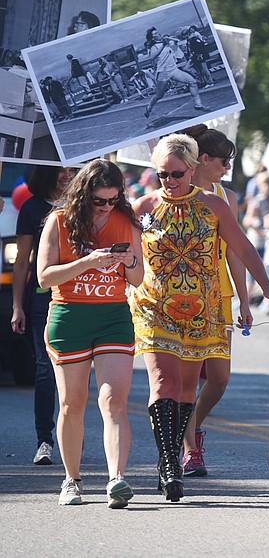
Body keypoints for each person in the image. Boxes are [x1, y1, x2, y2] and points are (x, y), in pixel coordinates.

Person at [131, 134, 269, 501]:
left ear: (191, 168)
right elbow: (123, 246)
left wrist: (265, 288)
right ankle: (169, 464)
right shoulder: (143, 208)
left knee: (187, 389)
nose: (170, 182)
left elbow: (241, 246)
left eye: (177, 174)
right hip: (155, 307)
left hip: (202, 308)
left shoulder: (213, 205)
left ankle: (175, 455)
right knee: (163, 384)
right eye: (163, 175)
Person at [36, 159, 143, 508]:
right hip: (69, 317)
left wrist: (128, 262)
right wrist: (88, 262)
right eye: (100, 200)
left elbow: (138, 279)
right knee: (73, 402)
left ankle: (117, 479)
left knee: (114, 400)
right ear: (84, 195)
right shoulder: (59, 220)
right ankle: (72, 479)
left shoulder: (126, 222)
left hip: (113, 316)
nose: (107, 207)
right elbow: (45, 278)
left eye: (113, 200)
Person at [177, 125, 251, 478]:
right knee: (187, 379)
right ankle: (191, 449)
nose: (226, 168)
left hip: (219, 297)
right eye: (223, 161)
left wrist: (245, 301)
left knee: (219, 379)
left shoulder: (227, 197)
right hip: (183, 297)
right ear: (203, 159)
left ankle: (188, 426)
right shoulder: (176, 192)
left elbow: (236, 252)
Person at [11, 165, 76, 467]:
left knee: (75, 373)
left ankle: (71, 437)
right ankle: (44, 441)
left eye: (74, 170)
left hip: (80, 297)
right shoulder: (32, 208)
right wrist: (16, 306)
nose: (67, 175)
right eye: (61, 170)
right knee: (44, 369)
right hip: (41, 300)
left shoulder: (86, 204)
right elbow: (22, 262)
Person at [139, 27, 208, 120]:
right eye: (155, 34)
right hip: (163, 73)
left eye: (158, 32)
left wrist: (169, 39)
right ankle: (149, 107)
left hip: (173, 70)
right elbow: (152, 57)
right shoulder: (154, 47)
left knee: (192, 82)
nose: (158, 34)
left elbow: (177, 40)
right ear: (152, 38)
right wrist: (163, 45)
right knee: (159, 95)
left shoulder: (167, 43)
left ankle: (198, 104)